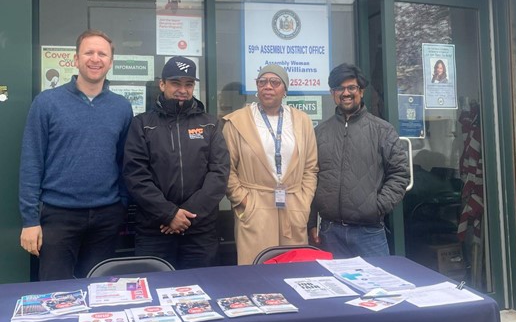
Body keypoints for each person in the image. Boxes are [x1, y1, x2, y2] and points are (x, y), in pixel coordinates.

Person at [19, 29, 133, 280]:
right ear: (75, 59)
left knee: (99, 291)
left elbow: (124, 161)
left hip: (107, 216)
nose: (95, 58)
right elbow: (31, 162)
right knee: (54, 292)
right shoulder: (47, 103)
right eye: (89, 52)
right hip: (59, 216)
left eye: (102, 53)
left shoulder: (122, 107)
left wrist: (121, 203)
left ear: (110, 62)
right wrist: (29, 220)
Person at [123, 56, 229, 269]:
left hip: (200, 231)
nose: (183, 89)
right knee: (154, 292)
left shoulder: (210, 123)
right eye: (175, 83)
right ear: (162, 84)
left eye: (188, 84)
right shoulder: (142, 124)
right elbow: (135, 175)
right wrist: (169, 214)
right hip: (156, 230)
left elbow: (219, 173)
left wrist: (185, 216)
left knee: (203, 292)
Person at [308, 63, 409, 258]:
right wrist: (311, 223)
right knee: (333, 288)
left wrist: (376, 207)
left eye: (351, 87)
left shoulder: (382, 130)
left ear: (361, 91)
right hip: (330, 233)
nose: (346, 93)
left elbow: (400, 174)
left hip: (369, 233)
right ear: (332, 93)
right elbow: (310, 178)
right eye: (339, 88)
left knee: (378, 288)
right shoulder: (320, 133)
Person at [222, 64, 318, 265]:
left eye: (275, 82)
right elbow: (226, 169)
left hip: (293, 207)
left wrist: (304, 201)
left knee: (293, 272)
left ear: (285, 89)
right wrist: (245, 202)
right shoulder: (237, 122)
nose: (268, 86)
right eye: (262, 82)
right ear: (256, 87)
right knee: (255, 273)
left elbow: (310, 168)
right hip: (255, 207)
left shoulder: (302, 121)